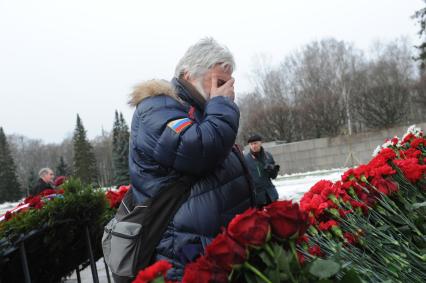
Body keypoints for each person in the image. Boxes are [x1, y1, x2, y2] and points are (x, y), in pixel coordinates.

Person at [128, 38, 254, 279]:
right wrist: (221, 105)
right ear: (188, 75)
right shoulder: (157, 108)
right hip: (186, 252)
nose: (227, 89)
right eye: (219, 81)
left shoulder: (203, 110)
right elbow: (198, 149)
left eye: (229, 83)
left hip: (214, 246)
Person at [244, 134, 280, 206]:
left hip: (271, 195)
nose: (253, 146)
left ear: (260, 143)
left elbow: (273, 176)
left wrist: (273, 170)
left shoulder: (268, 156)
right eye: (251, 144)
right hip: (257, 198)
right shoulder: (245, 159)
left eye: (255, 143)